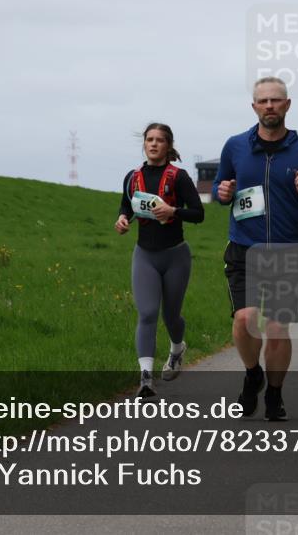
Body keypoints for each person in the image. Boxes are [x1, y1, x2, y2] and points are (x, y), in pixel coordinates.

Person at [213, 77, 298, 422]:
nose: (269, 106)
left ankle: (274, 396)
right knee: (245, 320)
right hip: (244, 248)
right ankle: (252, 375)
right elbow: (220, 186)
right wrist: (222, 192)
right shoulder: (235, 146)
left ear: (287, 105)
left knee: (277, 328)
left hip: (286, 251)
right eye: (263, 101)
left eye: (276, 101)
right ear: (254, 107)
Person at [115, 123, 204, 398]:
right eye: (149, 140)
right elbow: (126, 206)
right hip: (144, 255)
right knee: (148, 313)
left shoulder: (179, 177)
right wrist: (122, 219)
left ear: (168, 145)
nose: (153, 144)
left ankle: (177, 348)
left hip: (175, 255)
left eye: (159, 140)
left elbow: (198, 213)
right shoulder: (133, 177)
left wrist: (173, 210)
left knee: (171, 315)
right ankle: (145, 378)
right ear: (144, 144)